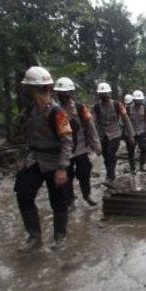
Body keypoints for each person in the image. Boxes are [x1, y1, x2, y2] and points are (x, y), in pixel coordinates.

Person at [15, 66, 73, 251]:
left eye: (45, 89)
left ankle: (59, 236)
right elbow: (27, 137)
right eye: (40, 89)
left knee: (58, 200)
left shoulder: (59, 113)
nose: (43, 93)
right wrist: (23, 159)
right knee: (23, 193)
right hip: (35, 159)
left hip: (55, 160)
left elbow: (67, 142)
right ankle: (34, 236)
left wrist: (63, 168)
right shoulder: (29, 110)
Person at [54, 77, 101, 207]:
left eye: (66, 92)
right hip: (63, 151)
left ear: (71, 93)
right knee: (66, 177)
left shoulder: (80, 108)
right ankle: (70, 201)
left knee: (84, 173)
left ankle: (87, 195)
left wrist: (96, 146)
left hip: (80, 148)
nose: (64, 95)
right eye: (61, 93)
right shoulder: (54, 110)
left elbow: (91, 127)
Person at [93, 82, 134, 181]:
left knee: (110, 153)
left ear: (109, 94)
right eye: (102, 96)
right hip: (102, 135)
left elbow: (126, 119)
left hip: (115, 134)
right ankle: (109, 172)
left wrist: (131, 135)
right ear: (99, 95)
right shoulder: (96, 107)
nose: (104, 98)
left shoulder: (117, 105)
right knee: (105, 155)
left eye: (106, 96)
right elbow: (92, 123)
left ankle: (111, 175)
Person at [126, 90, 146, 172]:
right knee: (131, 150)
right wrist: (128, 135)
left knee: (143, 148)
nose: (139, 102)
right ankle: (132, 168)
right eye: (137, 100)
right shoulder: (128, 109)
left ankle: (142, 165)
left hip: (141, 131)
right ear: (134, 100)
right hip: (130, 132)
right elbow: (124, 122)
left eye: (140, 100)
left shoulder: (145, 109)